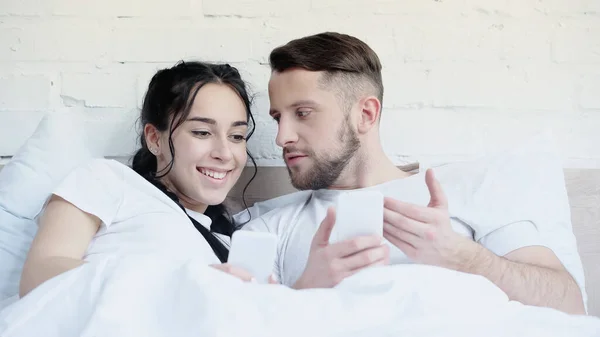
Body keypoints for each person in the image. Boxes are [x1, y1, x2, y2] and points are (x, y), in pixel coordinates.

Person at [240, 32, 587, 315]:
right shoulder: (270, 227)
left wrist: (462, 256)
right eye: (277, 117)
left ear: (365, 114)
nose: (282, 136)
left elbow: (568, 303)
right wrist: (306, 290)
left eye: (303, 113)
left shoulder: (468, 190)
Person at [19, 61, 270, 298]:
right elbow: (39, 276)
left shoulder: (226, 247)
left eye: (237, 136)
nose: (225, 154)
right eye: (202, 132)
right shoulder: (108, 182)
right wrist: (180, 284)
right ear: (154, 139)